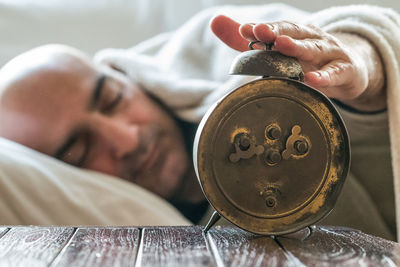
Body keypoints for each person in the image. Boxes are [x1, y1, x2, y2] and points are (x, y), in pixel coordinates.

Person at [0, 4, 398, 240]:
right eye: (78, 150)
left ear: (124, 73)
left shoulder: (216, 46)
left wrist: (363, 65)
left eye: (112, 99)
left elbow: (361, 38)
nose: (126, 138)